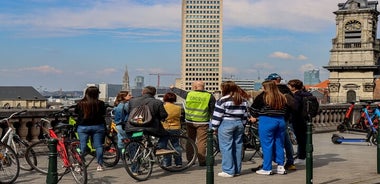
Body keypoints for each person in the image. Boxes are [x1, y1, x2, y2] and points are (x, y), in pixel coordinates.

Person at [170, 81, 216, 166]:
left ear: (195, 87)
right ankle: (202, 161)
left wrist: (173, 88)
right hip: (203, 122)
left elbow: (180, 92)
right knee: (201, 142)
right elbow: (213, 111)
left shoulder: (189, 94)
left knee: (190, 140)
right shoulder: (209, 96)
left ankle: (190, 160)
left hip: (190, 122)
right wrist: (214, 123)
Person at [249, 80, 288, 175]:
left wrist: (254, 116)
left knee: (267, 145)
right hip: (281, 120)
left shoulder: (263, 96)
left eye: (263, 87)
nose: (262, 89)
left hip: (267, 121)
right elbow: (287, 110)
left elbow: (253, 109)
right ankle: (280, 166)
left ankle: (267, 168)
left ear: (266, 88)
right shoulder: (282, 96)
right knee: (279, 144)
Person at [211, 81, 249, 177]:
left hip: (226, 123)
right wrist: (243, 125)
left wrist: (214, 127)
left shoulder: (222, 100)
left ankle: (228, 170)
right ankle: (237, 170)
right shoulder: (243, 100)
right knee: (238, 147)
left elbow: (217, 115)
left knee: (226, 147)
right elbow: (245, 115)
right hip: (239, 123)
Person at [265, 73, 296, 171]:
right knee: (285, 141)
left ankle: (271, 163)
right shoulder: (287, 90)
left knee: (276, 141)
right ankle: (289, 162)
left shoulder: (274, 91)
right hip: (285, 118)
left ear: (273, 81)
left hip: (275, 117)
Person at [125, 86, 170, 154]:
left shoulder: (132, 101)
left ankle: (134, 162)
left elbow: (129, 112)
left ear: (143, 92)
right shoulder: (157, 102)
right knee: (165, 135)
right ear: (154, 94)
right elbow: (163, 115)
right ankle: (159, 148)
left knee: (133, 143)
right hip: (149, 129)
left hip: (132, 128)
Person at [75, 86, 107, 172]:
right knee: (98, 146)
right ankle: (100, 165)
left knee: (83, 145)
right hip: (98, 126)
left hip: (83, 126)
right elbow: (103, 113)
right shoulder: (100, 103)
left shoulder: (81, 103)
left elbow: (76, 112)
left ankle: (80, 164)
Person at [287, 79, 313, 166]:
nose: (288, 87)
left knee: (301, 139)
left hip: (297, 119)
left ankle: (301, 157)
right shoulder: (308, 94)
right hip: (306, 119)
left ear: (293, 87)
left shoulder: (296, 96)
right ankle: (305, 156)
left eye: (289, 86)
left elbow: (295, 108)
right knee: (304, 138)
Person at [158, 92, 183, 167]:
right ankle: (178, 162)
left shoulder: (163, 107)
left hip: (165, 128)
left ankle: (167, 163)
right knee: (176, 145)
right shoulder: (178, 108)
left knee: (165, 146)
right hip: (176, 128)